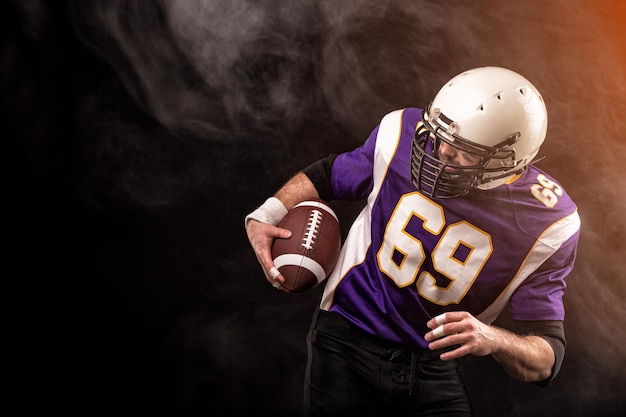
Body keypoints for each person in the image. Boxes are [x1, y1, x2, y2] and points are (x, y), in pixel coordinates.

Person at [245, 66, 580, 416]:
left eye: (464, 152)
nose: (442, 156)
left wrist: (493, 338)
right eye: (440, 138)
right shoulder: (404, 131)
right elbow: (332, 174)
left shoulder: (549, 222)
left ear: (510, 161)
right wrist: (265, 214)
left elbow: (546, 358)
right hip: (345, 337)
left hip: (432, 365)